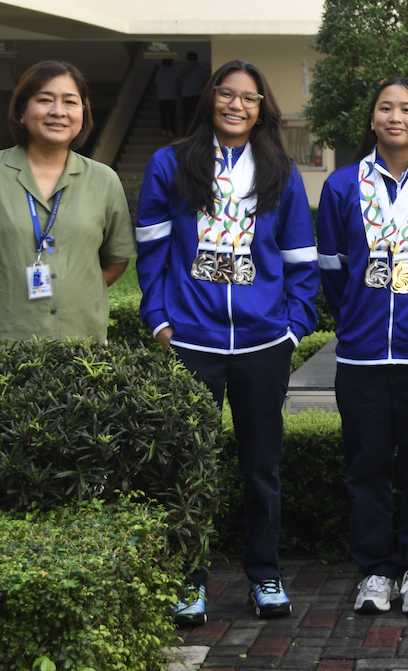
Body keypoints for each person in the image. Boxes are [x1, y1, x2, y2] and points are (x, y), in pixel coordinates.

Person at [136, 59, 319, 625]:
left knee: (261, 467)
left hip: (263, 345)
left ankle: (264, 573)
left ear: (263, 107)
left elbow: (301, 264)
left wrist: (291, 329)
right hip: (192, 342)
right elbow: (151, 252)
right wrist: (161, 322)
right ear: (209, 98)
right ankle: (188, 581)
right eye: (226, 93)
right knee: (189, 467)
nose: (236, 105)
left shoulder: (280, 172)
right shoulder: (172, 163)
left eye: (249, 97)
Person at [316, 78, 408, 616]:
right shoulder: (341, 186)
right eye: (385, 108)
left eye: (407, 109)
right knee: (366, 466)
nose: (395, 116)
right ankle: (375, 571)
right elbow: (333, 269)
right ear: (372, 120)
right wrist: (354, 315)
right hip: (362, 354)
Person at [0, 60, 135, 367]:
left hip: (81, 344)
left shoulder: (104, 180)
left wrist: (73, 291)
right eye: (45, 99)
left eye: (70, 102)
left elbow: (115, 260)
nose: (58, 111)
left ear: (83, 113)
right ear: (22, 111)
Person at [181, 51, 210, 127]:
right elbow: (207, 80)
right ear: (197, 58)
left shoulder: (183, 68)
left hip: (185, 94)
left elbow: (179, 80)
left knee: (186, 112)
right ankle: (197, 127)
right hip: (198, 93)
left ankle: (186, 128)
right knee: (198, 112)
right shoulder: (202, 67)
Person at [155, 58, 180, 136]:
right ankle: (171, 130)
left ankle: (164, 129)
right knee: (172, 114)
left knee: (163, 114)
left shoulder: (159, 72)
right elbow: (181, 76)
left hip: (161, 96)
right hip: (171, 96)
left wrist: (157, 97)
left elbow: (156, 85)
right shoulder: (174, 71)